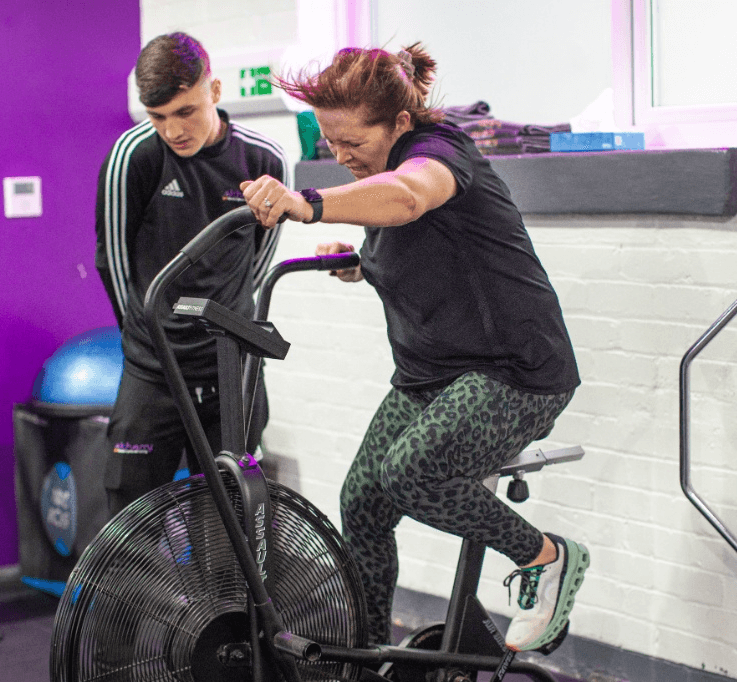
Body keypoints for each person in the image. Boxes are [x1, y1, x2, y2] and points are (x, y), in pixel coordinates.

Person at [239, 43, 588, 653]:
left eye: (353, 143)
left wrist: (309, 205)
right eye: (330, 143)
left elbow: (408, 196)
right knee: (363, 502)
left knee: (412, 474)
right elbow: (416, 242)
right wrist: (361, 264)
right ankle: (367, 655)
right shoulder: (373, 175)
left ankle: (548, 557)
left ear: (399, 123)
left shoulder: (439, 152)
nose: (340, 157)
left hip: (515, 374)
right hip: (428, 378)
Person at [96, 32, 289, 516]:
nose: (172, 130)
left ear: (215, 91)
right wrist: (150, 339)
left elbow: (258, 262)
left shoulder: (265, 160)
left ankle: (225, 597)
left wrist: (233, 324)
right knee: (130, 515)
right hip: (153, 368)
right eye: (158, 117)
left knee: (233, 520)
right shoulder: (132, 157)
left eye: (186, 112)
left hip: (232, 368)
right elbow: (113, 263)